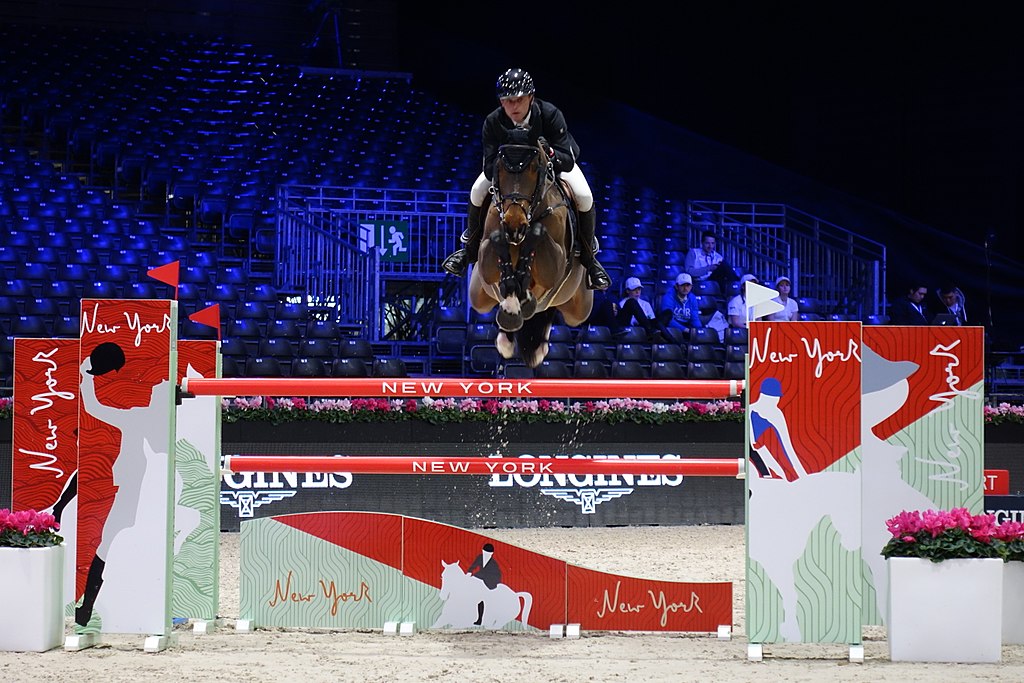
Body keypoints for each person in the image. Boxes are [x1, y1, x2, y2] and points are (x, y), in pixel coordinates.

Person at [441, 67, 610, 290]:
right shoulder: (493, 122)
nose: (513, 106)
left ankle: (590, 261)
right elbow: (490, 165)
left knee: (584, 195)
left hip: (552, 167)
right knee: (476, 191)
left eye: (518, 99)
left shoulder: (549, 114)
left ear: (531, 97)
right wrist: (506, 171)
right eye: (507, 100)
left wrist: (548, 154)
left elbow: (567, 158)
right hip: (509, 175)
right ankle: (468, 251)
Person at [467, 542, 501, 626]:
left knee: (482, 598)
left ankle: (484, 618)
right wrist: (469, 572)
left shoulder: (493, 564)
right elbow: (474, 565)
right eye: (484, 552)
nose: (486, 554)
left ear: (491, 554)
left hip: (490, 580)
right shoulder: (480, 557)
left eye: (488, 553)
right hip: (482, 577)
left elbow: (496, 575)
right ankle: (478, 619)